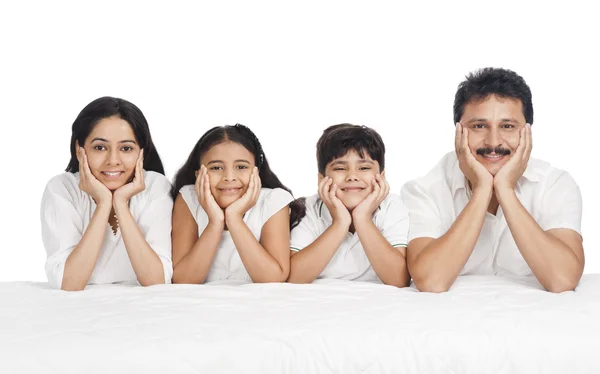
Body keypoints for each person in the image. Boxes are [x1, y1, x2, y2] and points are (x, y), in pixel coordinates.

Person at [401, 68, 584, 293]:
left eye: (507, 126)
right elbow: (431, 282)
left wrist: (505, 189)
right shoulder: (423, 190)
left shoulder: (556, 184)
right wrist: (482, 189)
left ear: (526, 132)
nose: (494, 141)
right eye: (479, 126)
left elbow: (563, 280)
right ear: (458, 131)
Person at [41, 97, 173, 290]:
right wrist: (103, 204)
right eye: (100, 147)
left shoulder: (156, 187)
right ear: (80, 150)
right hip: (80, 311)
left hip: (141, 310)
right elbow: (69, 283)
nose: (113, 160)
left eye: (126, 148)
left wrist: (120, 203)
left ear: (141, 153)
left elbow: (156, 280)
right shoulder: (61, 189)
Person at [288, 124, 410, 287]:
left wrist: (363, 219)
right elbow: (293, 278)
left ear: (382, 176)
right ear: (321, 179)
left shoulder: (392, 206)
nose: (352, 176)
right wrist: (340, 223)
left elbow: (399, 279)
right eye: (340, 168)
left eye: (364, 168)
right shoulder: (308, 208)